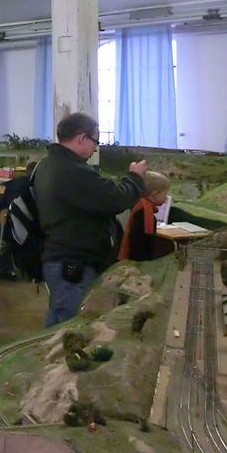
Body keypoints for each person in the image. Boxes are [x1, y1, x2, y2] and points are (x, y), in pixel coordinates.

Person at [34, 112, 146, 327]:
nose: (95, 148)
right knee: (69, 326)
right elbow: (114, 198)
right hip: (72, 263)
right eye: (96, 141)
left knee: (59, 322)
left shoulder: (50, 165)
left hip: (63, 259)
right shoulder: (71, 171)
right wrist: (135, 178)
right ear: (82, 138)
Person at [0, 160, 39, 280]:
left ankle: (6, 270)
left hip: (7, 228)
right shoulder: (35, 187)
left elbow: (0, 207)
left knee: (4, 240)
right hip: (28, 231)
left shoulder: (11, 185)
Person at [117, 171, 171, 263]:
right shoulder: (146, 213)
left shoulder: (138, 205)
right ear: (155, 194)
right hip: (137, 261)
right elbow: (143, 242)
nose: (166, 198)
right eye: (165, 194)